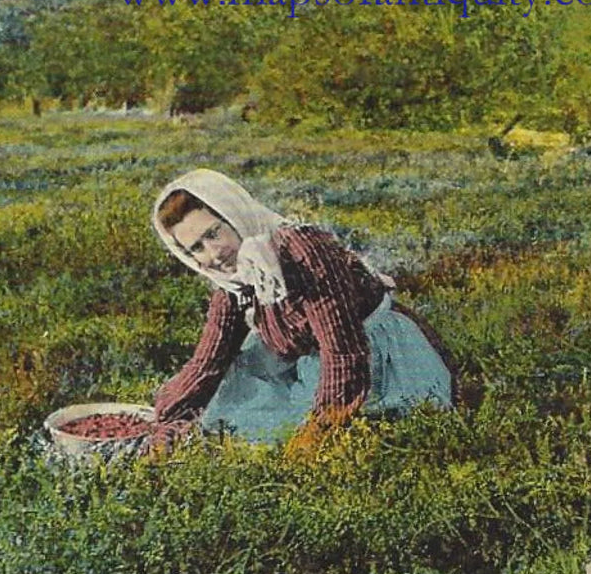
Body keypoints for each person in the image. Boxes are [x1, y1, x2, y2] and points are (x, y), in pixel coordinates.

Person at [150, 169, 452, 443]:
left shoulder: (302, 252)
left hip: (369, 353)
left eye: (214, 233)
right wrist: (164, 417)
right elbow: (208, 361)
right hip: (307, 355)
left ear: (233, 214)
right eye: (197, 248)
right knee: (228, 404)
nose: (214, 254)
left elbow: (343, 349)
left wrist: (320, 429)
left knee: (349, 430)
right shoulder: (232, 281)